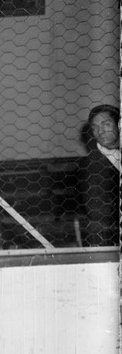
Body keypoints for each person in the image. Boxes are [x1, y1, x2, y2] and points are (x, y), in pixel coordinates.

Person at [79, 104, 120, 248]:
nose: (100, 131)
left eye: (106, 124)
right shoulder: (91, 166)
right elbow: (100, 213)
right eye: (95, 128)